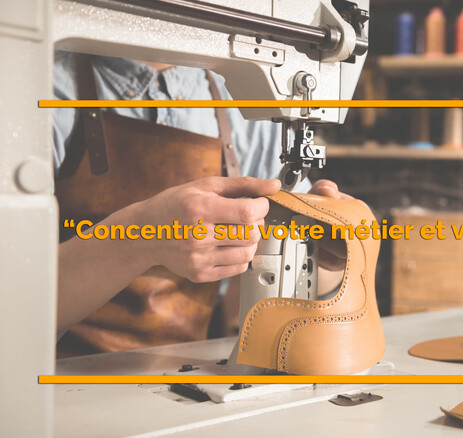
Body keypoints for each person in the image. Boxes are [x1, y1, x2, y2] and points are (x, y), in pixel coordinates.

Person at [52, 51, 349, 356]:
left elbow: (299, 260)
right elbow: (12, 300)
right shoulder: (45, 89)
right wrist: (140, 239)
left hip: (192, 362)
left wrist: (328, 254)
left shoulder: (244, 101)